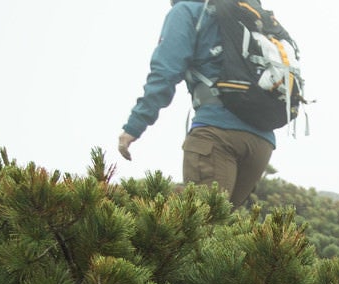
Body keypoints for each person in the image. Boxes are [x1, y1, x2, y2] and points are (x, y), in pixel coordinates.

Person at [118, 0, 278, 207]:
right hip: (261, 142)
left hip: (217, 134)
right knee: (220, 228)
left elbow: (165, 72)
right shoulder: (247, 13)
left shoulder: (187, 11)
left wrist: (135, 124)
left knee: (200, 227)